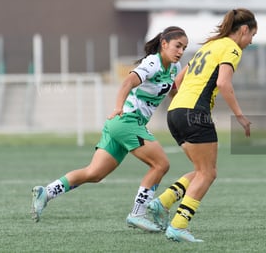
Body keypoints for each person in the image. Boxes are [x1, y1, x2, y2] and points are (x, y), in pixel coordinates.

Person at [31, 26, 188, 233]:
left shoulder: (174, 68)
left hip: (123, 125)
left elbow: (171, 91)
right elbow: (127, 83)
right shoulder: (152, 63)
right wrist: (118, 107)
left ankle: (47, 192)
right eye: (178, 46)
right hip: (127, 121)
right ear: (164, 44)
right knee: (161, 164)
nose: (180, 51)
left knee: (94, 173)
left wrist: (189, 70)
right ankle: (137, 214)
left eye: (184, 48)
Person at [147, 8, 257, 242]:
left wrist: (181, 105)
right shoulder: (231, 48)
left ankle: (163, 202)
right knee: (207, 173)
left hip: (175, 113)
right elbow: (223, 83)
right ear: (244, 30)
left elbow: (176, 83)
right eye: (251, 37)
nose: (250, 43)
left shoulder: (208, 47)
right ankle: (178, 225)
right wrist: (240, 116)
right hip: (195, 113)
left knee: (201, 170)